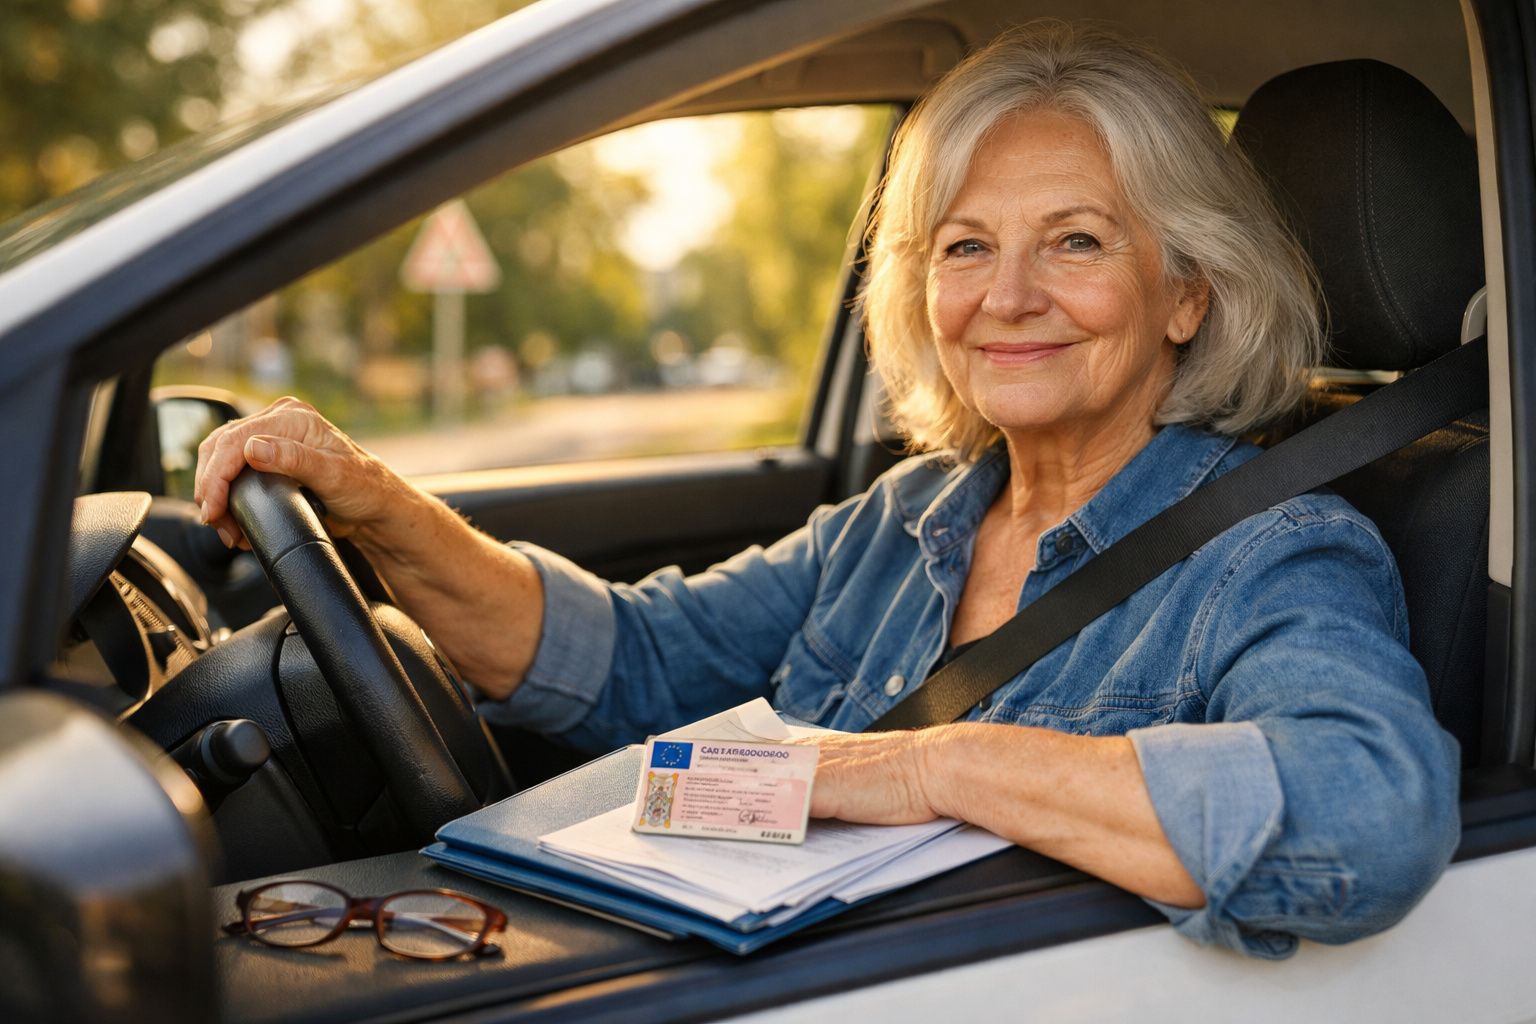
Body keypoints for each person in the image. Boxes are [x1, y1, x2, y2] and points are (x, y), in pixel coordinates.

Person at [193, 23, 1460, 959]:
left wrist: (929, 769)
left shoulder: (1274, 552)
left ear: (1188, 290)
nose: (1007, 295)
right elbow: (624, 658)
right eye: (965, 246)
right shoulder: (908, 521)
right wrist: (370, 501)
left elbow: (1372, 810)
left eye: (1075, 239)